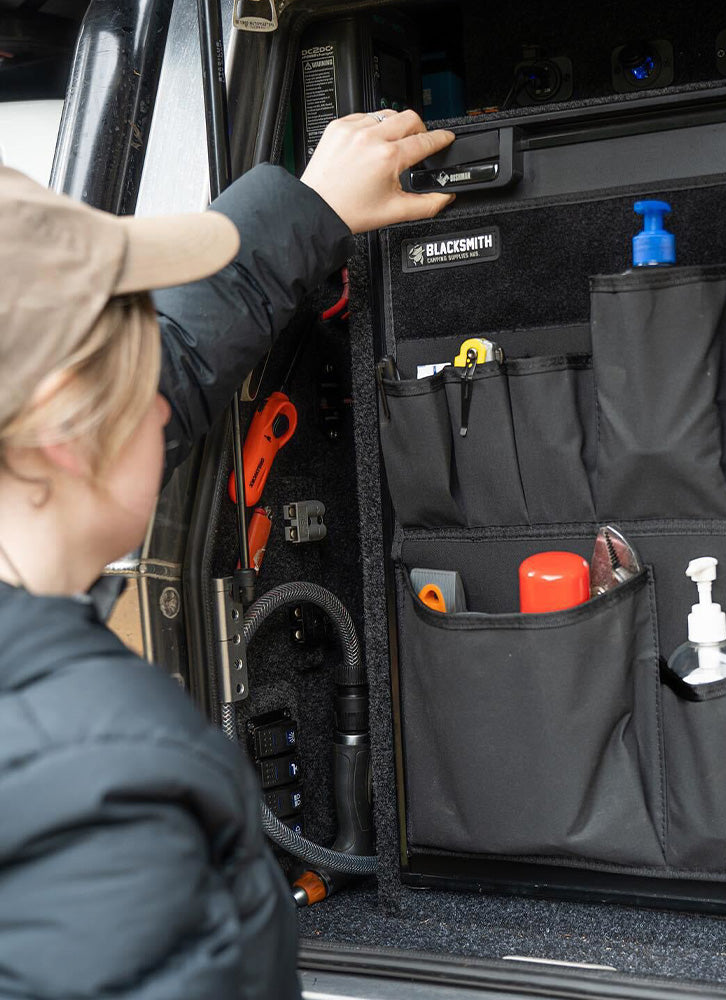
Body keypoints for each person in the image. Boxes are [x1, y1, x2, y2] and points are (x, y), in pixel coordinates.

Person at [0, 109, 454, 999]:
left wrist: (310, 207)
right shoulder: (100, 782)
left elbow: (174, 359)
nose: (167, 404)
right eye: (137, 374)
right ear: (59, 425)